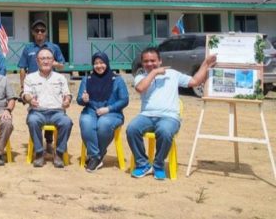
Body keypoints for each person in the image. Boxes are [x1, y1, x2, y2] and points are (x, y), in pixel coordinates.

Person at [127, 48, 215, 180]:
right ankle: (143, 164)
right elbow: (140, 88)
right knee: (132, 129)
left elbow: (194, 81)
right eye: (146, 61)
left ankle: (158, 165)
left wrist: (205, 64)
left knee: (165, 131)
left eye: (153, 61)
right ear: (142, 63)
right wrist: (154, 73)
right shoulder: (141, 77)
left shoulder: (172, 74)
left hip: (169, 117)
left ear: (160, 61)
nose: (149, 64)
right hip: (146, 115)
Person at [17, 19, 66, 153]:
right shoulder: (28, 48)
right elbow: (22, 68)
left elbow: (62, 65)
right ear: (33, 32)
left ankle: (49, 143)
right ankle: (37, 144)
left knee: (51, 108)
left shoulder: (53, 47)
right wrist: (22, 87)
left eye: (42, 30)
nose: (40, 32)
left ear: (46, 32)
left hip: (50, 85)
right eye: (37, 30)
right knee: (35, 113)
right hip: (32, 86)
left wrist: (52, 63)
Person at [76, 52, 129, 172]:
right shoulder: (87, 79)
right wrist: (83, 100)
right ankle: (96, 156)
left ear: (107, 63)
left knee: (103, 123)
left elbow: (124, 100)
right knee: (85, 122)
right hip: (91, 110)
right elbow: (79, 100)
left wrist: (108, 109)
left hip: (112, 113)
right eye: (96, 63)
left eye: (102, 63)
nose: (99, 66)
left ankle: (95, 157)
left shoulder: (117, 80)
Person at [21, 47, 73, 168]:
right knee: (32, 121)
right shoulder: (30, 77)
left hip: (57, 112)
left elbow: (67, 94)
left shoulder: (60, 78)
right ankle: (39, 153)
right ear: (37, 61)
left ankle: (59, 153)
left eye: (48, 58)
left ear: (53, 60)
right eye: (42, 58)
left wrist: (67, 100)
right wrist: (29, 99)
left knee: (67, 122)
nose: (45, 61)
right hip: (37, 112)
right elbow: (25, 94)